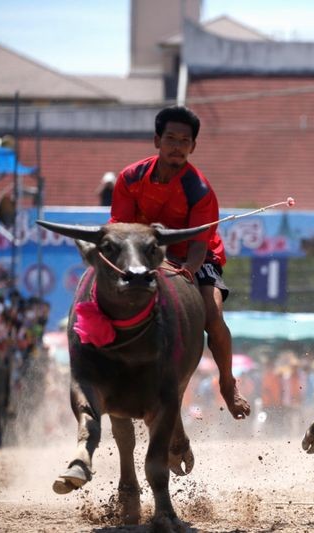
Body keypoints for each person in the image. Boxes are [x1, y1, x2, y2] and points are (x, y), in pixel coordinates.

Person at [109, 105, 250, 420]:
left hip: (191, 256)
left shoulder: (199, 189)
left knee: (212, 316)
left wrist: (185, 270)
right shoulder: (130, 178)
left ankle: (227, 382)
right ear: (157, 140)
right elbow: (120, 231)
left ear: (193, 146)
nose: (177, 146)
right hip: (141, 253)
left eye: (184, 141)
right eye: (170, 138)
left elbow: (199, 247)